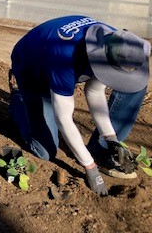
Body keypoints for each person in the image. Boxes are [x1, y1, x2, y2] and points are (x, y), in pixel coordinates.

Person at [8, 15, 149, 196]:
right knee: (44, 151)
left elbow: (95, 92)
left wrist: (111, 138)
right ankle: (19, 97)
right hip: (32, 68)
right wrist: (90, 168)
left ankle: (102, 150)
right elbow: (64, 119)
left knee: (135, 87)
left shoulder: (116, 44)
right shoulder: (64, 56)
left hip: (65, 59)